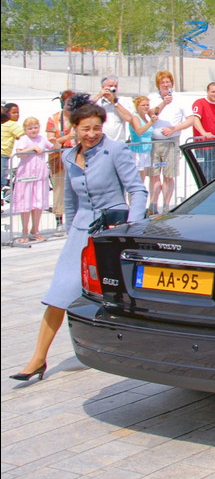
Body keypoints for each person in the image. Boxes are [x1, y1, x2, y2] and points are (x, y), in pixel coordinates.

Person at [10, 95, 146, 383]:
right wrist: (72, 234)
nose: (92, 134)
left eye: (97, 128)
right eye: (86, 128)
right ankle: (37, 359)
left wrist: (130, 228)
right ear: (74, 128)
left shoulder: (116, 150)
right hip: (82, 230)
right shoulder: (69, 156)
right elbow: (71, 202)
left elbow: (138, 191)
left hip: (113, 229)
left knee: (119, 295)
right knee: (59, 292)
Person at [148, 71, 191, 214]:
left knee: (168, 175)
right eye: (163, 83)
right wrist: (164, 103)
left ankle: (166, 206)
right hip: (154, 142)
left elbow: (190, 119)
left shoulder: (180, 99)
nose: (166, 85)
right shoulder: (152, 98)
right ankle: (153, 205)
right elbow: (151, 113)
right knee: (154, 175)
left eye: (168, 82)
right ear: (158, 85)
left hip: (171, 143)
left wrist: (174, 129)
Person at [12, 117, 52, 243]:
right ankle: (24, 231)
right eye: (30, 128)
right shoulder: (24, 139)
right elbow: (19, 154)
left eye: (35, 127)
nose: (33, 130)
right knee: (25, 202)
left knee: (38, 203)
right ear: (25, 129)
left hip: (40, 175)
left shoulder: (42, 138)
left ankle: (35, 230)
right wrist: (31, 148)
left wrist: (55, 141)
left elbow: (52, 147)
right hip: (26, 175)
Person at [45, 90, 76, 228]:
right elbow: (51, 140)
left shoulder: (79, 118)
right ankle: (59, 220)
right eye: (67, 102)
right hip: (58, 157)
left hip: (76, 156)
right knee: (59, 189)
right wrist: (67, 138)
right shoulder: (54, 118)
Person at [94, 75, 133, 143]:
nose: (113, 88)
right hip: (101, 142)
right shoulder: (98, 102)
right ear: (103, 87)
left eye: (115, 86)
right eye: (110, 86)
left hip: (118, 142)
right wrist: (99, 96)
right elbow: (84, 110)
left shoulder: (122, 101)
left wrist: (114, 101)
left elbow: (128, 118)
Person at [128, 96, 155, 183]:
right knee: (137, 180)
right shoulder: (135, 117)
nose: (146, 107)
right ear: (137, 107)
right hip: (138, 151)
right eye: (143, 105)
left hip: (146, 151)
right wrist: (151, 122)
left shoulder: (146, 118)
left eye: (147, 105)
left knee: (143, 179)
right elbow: (139, 131)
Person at [2, 102, 23, 191]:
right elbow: (23, 136)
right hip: (3, 155)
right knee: (1, 180)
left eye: (17, 112)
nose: (16, 115)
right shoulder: (11, 124)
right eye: (13, 112)